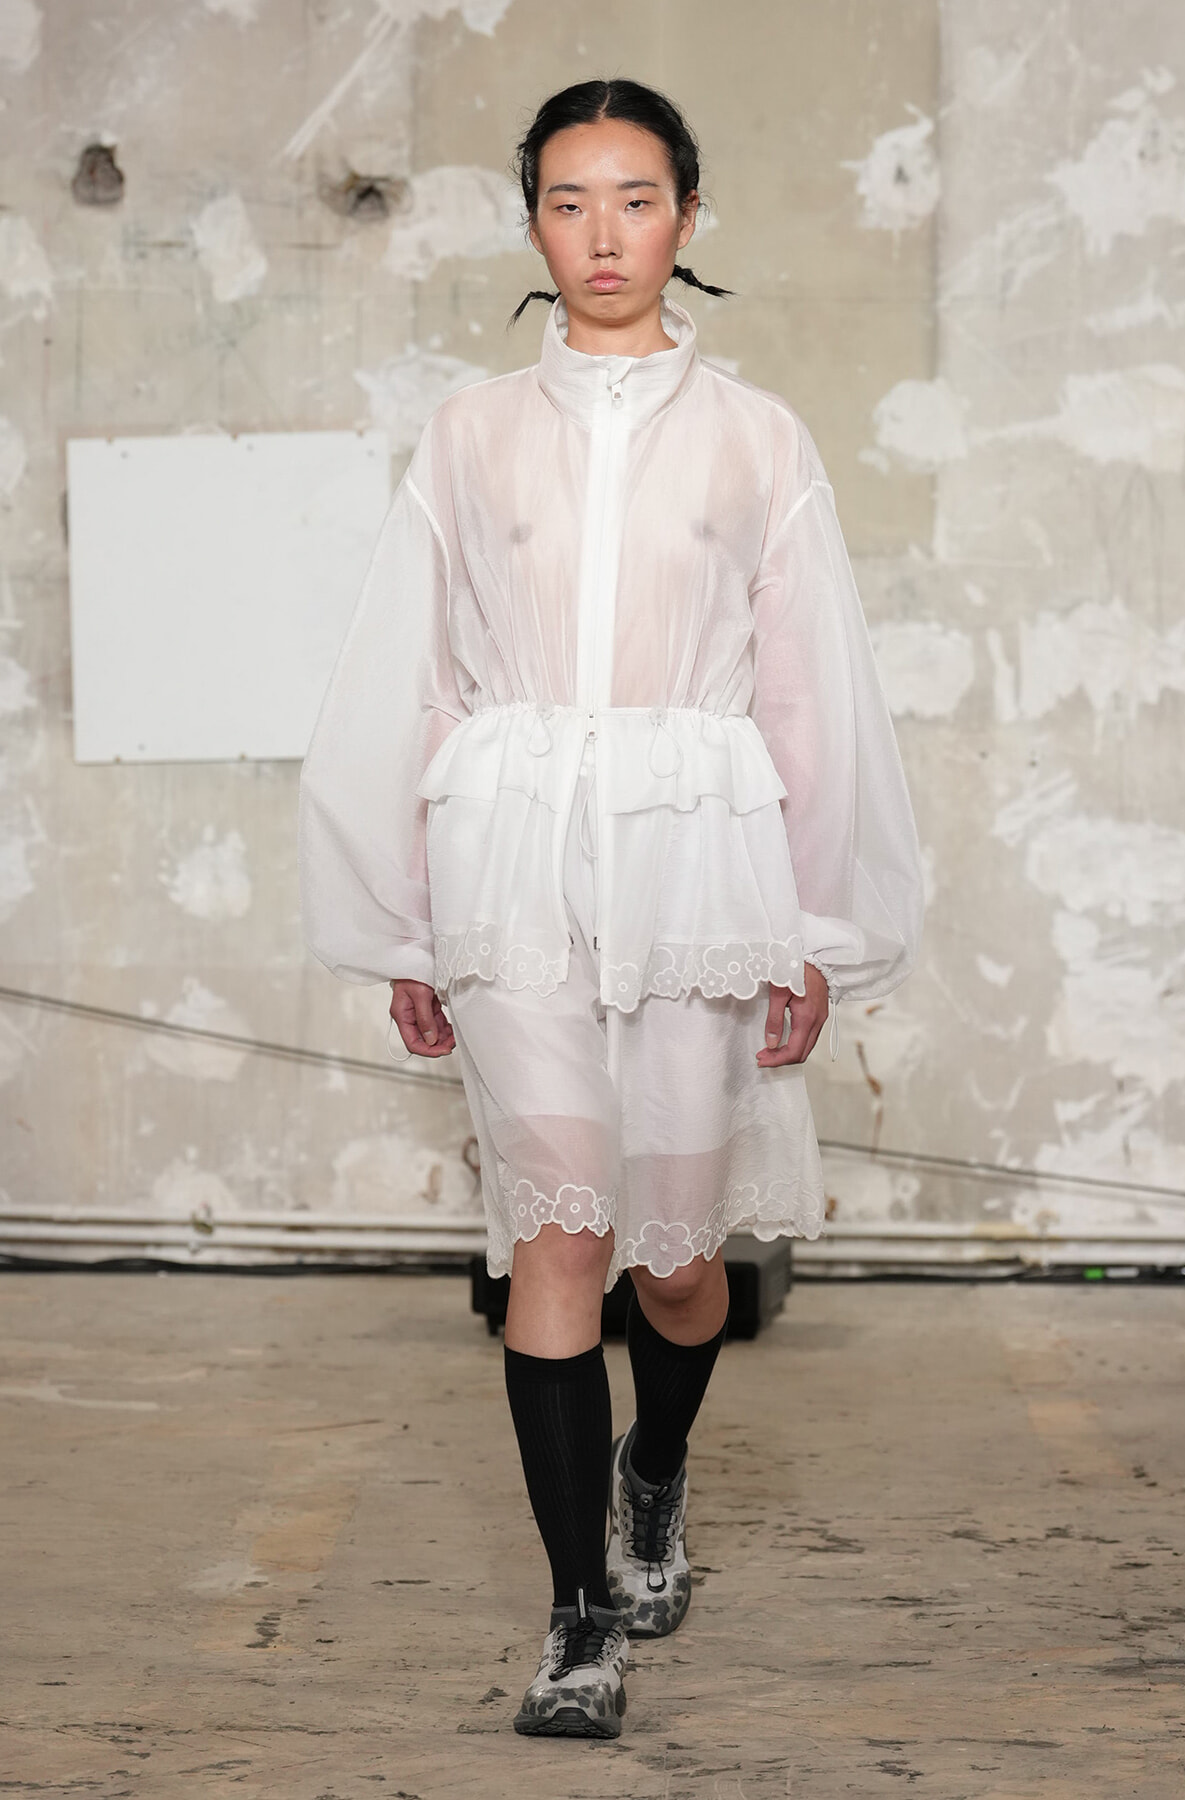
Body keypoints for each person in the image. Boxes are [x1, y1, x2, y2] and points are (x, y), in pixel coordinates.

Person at [297, 76, 923, 1740]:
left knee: (678, 1269)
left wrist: (818, 925)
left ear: (687, 220)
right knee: (556, 1240)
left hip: (695, 865)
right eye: (568, 202)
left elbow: (814, 700)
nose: (602, 234)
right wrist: (405, 921)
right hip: (510, 861)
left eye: (634, 199)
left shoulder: (760, 436)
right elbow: (407, 683)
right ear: (532, 226)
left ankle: (658, 1468)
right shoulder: (467, 434)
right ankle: (581, 1615)